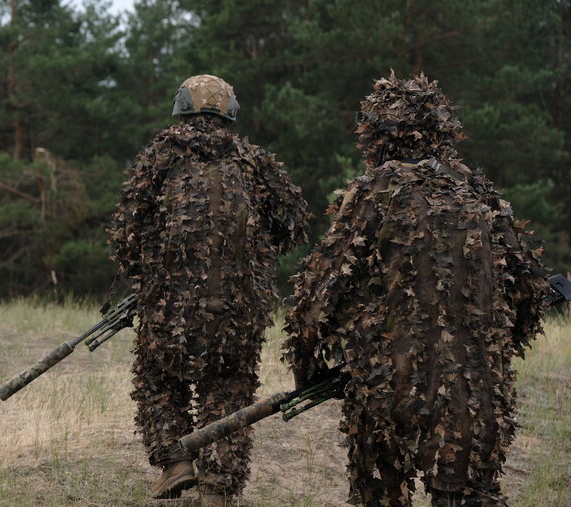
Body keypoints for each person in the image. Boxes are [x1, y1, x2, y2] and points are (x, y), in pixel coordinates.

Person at [282, 72, 547, 506]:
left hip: (385, 386)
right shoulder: (482, 194)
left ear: (376, 136)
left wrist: (306, 365)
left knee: (381, 494)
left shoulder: (375, 190)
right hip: (475, 391)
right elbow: (531, 288)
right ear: (442, 132)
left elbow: (318, 292)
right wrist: (497, 348)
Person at [110, 74, 309, 505]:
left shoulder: (159, 156)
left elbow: (126, 233)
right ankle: (219, 486)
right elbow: (293, 222)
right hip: (240, 306)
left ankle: (176, 463)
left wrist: (145, 272)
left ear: (182, 104)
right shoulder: (254, 160)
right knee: (230, 385)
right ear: (230, 110)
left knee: (159, 378)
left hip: (169, 304)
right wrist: (256, 252)